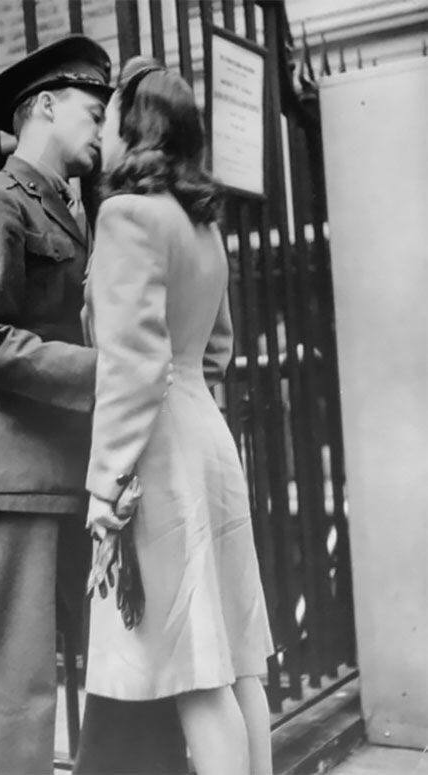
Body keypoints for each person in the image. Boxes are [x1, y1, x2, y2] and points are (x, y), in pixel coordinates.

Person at [0, 36, 186, 775]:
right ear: (44, 108)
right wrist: (106, 372)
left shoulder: (78, 212)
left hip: (70, 470)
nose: (100, 127)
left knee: (105, 668)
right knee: (17, 685)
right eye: (90, 110)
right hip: (13, 476)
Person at [78, 57, 275, 775]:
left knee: (194, 670)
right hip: (206, 435)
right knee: (238, 661)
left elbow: (130, 368)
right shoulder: (200, 225)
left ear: (134, 125)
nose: (101, 122)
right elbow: (215, 348)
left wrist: (104, 485)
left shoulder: (127, 215)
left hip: (160, 446)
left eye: (110, 111)